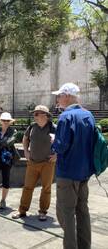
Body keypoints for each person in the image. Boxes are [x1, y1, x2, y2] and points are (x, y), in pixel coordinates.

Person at [51, 83, 96, 249]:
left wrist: (53, 142)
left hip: (67, 173)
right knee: (83, 212)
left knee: (66, 214)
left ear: (68, 96)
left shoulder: (65, 117)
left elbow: (60, 146)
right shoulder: (88, 115)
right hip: (84, 172)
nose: (58, 99)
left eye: (60, 95)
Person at [12, 105, 56, 221]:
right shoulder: (32, 127)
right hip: (32, 162)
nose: (34, 116)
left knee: (46, 189)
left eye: (37, 114)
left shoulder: (54, 128)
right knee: (27, 187)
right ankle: (22, 210)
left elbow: (63, 142)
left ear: (45, 115)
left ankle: (43, 212)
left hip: (48, 163)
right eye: (34, 114)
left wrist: (57, 155)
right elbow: (25, 139)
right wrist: (26, 151)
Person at [0, 112, 18, 209]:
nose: (5, 122)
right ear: (1, 121)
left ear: (10, 122)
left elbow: (10, 142)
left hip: (7, 158)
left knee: (6, 180)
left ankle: (3, 200)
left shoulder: (13, 131)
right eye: (4, 120)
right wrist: (2, 143)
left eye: (7, 120)